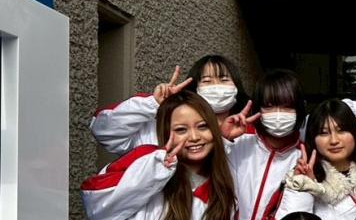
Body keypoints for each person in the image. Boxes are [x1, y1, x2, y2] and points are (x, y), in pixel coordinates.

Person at [71, 91, 237, 220]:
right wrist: (156, 170)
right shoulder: (146, 163)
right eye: (181, 130)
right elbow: (98, 208)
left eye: (202, 127)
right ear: (165, 132)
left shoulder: (221, 197)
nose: (194, 137)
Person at [90, 56, 251, 155]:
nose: (216, 86)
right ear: (194, 88)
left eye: (223, 79)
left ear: (237, 87)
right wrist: (154, 104)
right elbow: (105, 132)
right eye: (207, 81)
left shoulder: (249, 137)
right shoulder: (160, 126)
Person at [226, 69, 306, 220]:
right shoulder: (236, 142)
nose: (278, 114)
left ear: (299, 109)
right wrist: (223, 140)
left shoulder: (304, 159)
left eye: (287, 106)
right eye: (269, 106)